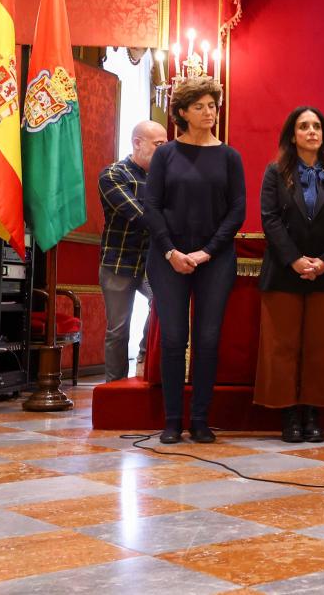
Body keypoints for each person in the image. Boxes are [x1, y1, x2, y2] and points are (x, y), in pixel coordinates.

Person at [143, 77, 245, 445]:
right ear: (182, 112)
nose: (209, 112)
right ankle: (172, 421)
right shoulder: (166, 155)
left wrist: (207, 252)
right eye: (200, 106)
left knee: (207, 338)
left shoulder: (230, 156)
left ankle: (200, 419)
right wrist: (172, 251)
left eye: (212, 106)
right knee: (172, 339)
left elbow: (237, 211)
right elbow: (151, 207)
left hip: (214, 259)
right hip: (168, 256)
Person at [255, 106, 324, 443]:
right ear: (292, 134)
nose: (311, 131)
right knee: (282, 346)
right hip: (284, 272)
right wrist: (295, 260)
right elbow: (269, 219)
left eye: (316, 126)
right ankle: (289, 416)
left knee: (321, 347)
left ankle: (312, 414)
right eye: (303, 126)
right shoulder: (275, 172)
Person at [98, 120, 167, 382]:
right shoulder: (113, 175)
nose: (163, 151)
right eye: (158, 145)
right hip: (118, 261)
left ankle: (143, 355)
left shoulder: (164, 178)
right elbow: (139, 216)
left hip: (152, 261)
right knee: (118, 329)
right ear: (138, 143)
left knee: (162, 304)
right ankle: (114, 387)